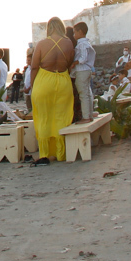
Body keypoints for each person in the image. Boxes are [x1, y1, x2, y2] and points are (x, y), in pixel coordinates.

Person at [29, 17, 74, 161]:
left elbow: (34, 66)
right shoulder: (68, 43)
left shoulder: (42, 44)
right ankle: (61, 154)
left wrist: (32, 84)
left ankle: (45, 154)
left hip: (44, 82)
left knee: (44, 118)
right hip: (62, 81)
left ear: (49, 28)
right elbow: (69, 64)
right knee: (61, 117)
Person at [72, 21, 96, 122]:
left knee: (83, 94)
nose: (74, 35)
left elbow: (83, 58)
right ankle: (89, 114)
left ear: (80, 32)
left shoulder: (82, 44)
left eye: (75, 32)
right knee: (87, 93)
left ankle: (86, 117)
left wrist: (74, 63)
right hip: (86, 70)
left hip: (82, 70)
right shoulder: (86, 43)